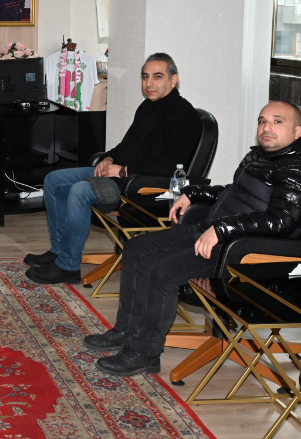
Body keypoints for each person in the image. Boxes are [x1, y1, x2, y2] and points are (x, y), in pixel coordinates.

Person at [85, 101, 301, 376]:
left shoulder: (300, 170)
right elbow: (233, 193)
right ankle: (126, 331)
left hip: (242, 250)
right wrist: (193, 193)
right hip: (214, 232)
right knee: (136, 248)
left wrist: (222, 229)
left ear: (298, 131)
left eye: (277, 121)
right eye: (262, 121)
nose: (266, 127)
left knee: (163, 271)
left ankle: (145, 353)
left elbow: (279, 222)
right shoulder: (259, 157)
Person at [25, 53, 201, 284]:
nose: (149, 83)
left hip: (142, 186)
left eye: (157, 77)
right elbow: (126, 146)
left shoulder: (184, 114)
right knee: (54, 180)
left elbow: (172, 166)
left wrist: (123, 170)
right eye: (145, 77)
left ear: (173, 79)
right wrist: (108, 158)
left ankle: (68, 266)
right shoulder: (147, 107)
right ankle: (58, 251)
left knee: (81, 190)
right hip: (119, 175)